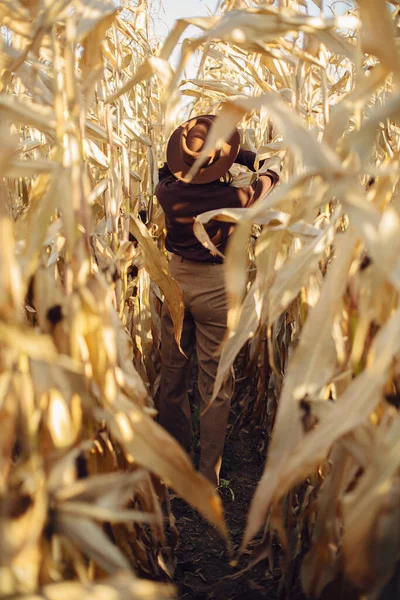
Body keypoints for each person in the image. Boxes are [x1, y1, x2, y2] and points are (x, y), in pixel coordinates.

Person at [155, 114, 279, 486]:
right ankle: (208, 476)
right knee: (214, 384)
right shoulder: (233, 198)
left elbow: (165, 168)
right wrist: (242, 156)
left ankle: (175, 463)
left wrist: (193, 157)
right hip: (214, 288)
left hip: (175, 284)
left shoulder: (166, 190)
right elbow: (269, 177)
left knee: (173, 375)